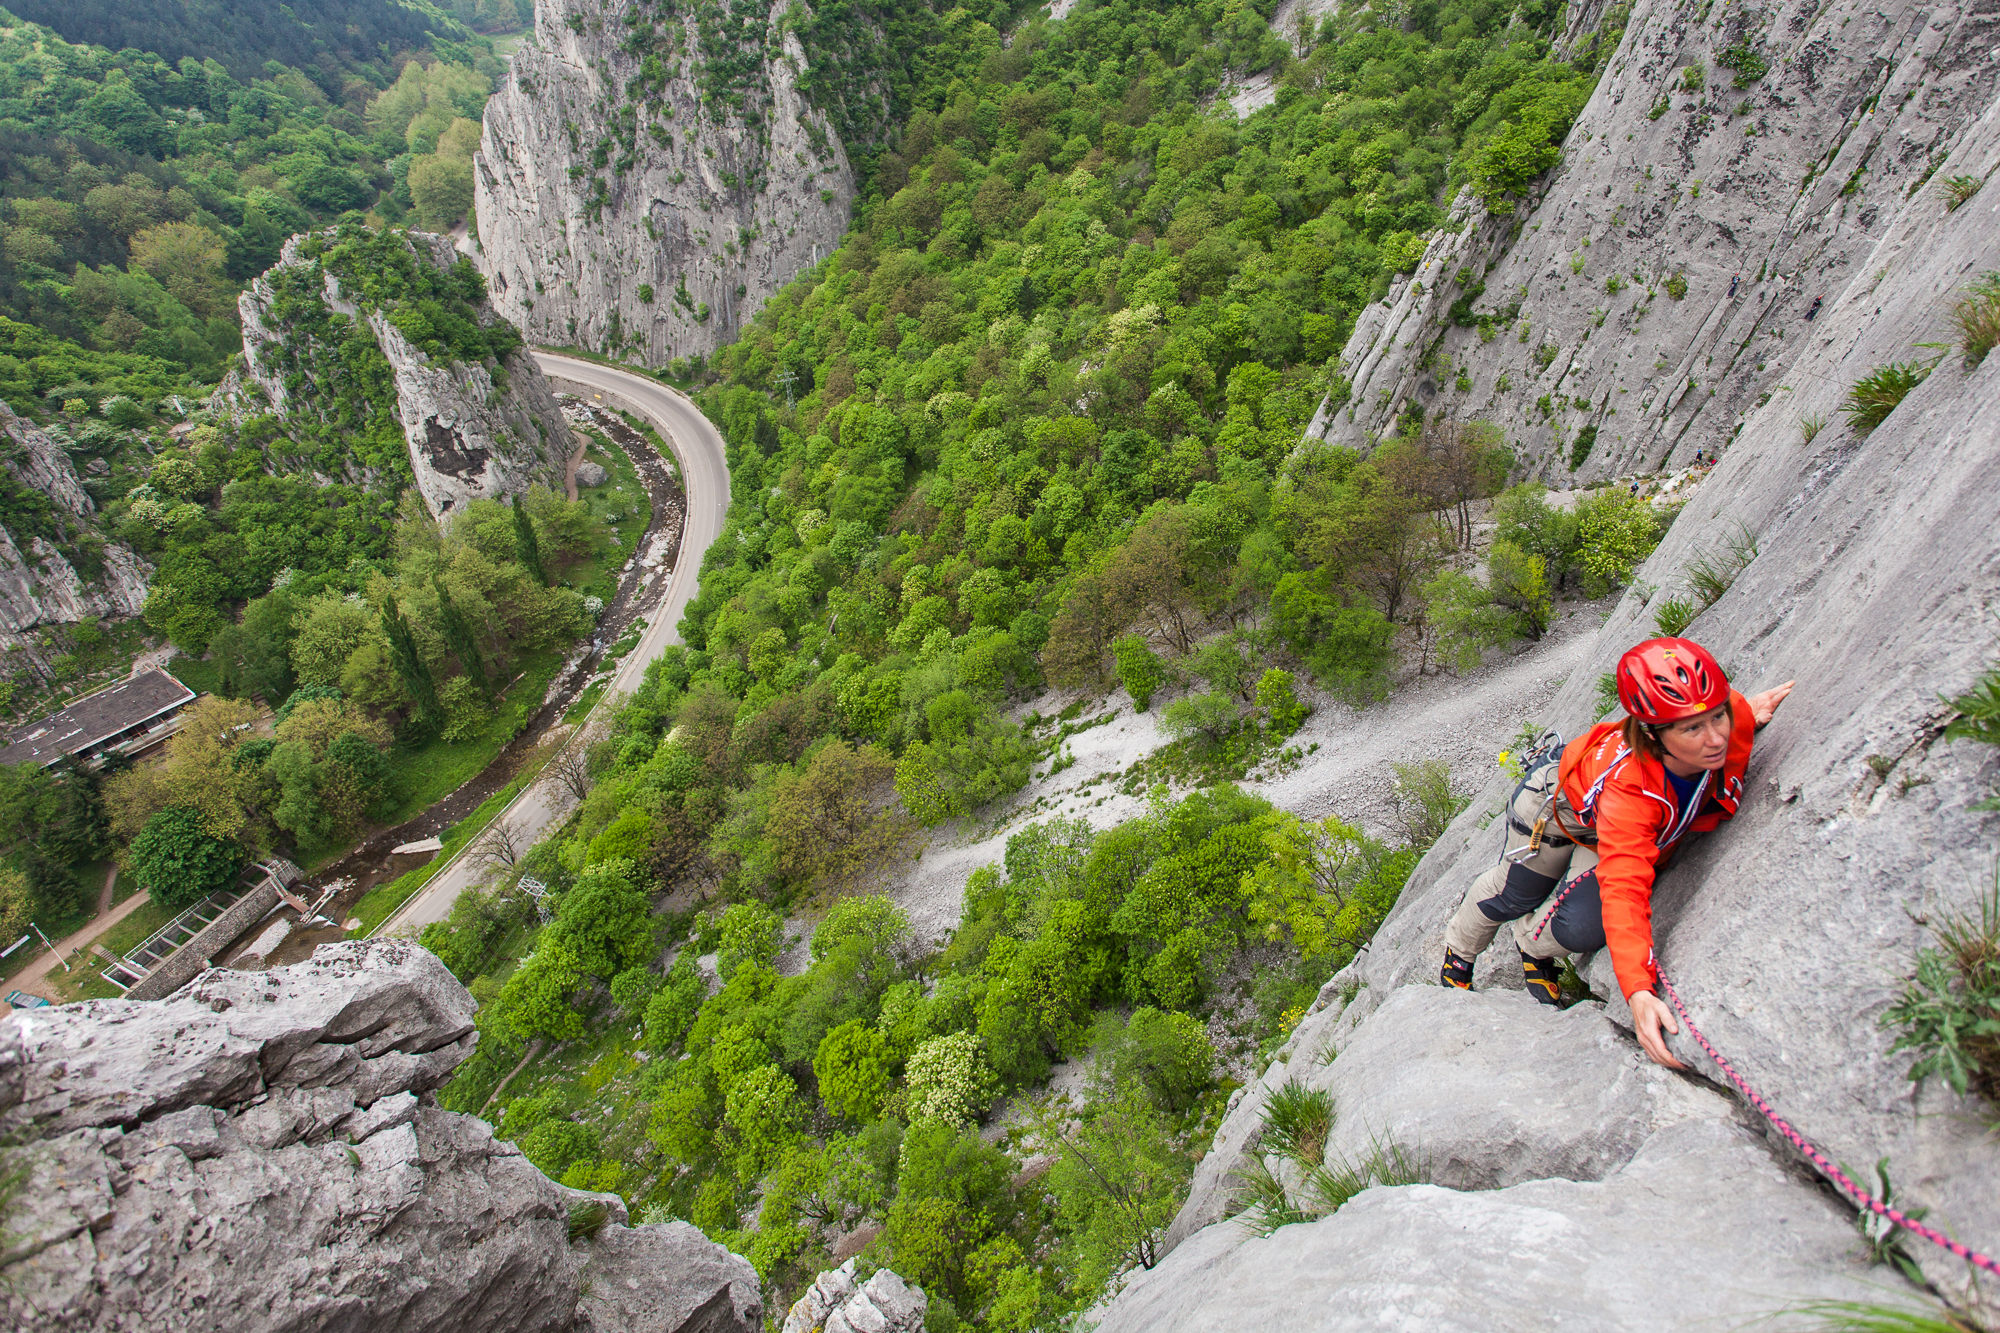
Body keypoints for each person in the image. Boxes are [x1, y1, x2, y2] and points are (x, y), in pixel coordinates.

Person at [1439, 638, 1794, 1067]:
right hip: (1555, 811)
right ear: (1652, 733)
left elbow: (1727, 715)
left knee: (1582, 928)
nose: (1716, 737)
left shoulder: (1727, 716)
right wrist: (1639, 992)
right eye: (1692, 729)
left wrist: (1746, 715)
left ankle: (1532, 944)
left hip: (1600, 826)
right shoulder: (1632, 790)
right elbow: (1625, 888)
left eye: (1718, 717)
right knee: (1517, 894)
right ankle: (1460, 949)